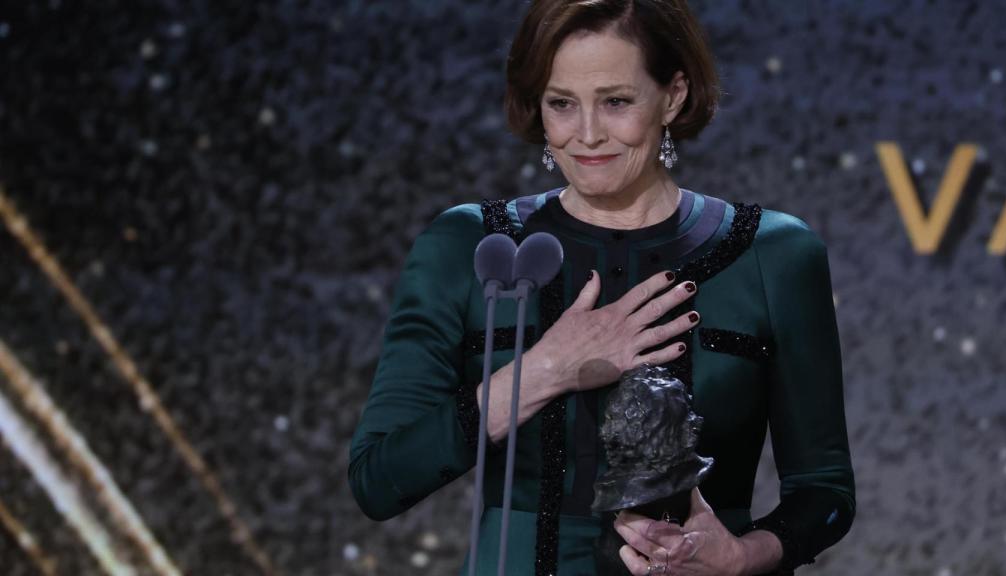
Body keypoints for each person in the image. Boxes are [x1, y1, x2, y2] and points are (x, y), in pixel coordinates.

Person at [348, 1, 855, 574]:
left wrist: (741, 556)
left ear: (674, 95)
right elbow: (378, 481)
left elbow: (826, 493)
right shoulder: (470, 247)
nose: (587, 135)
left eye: (616, 101)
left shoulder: (773, 255)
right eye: (562, 103)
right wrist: (544, 370)